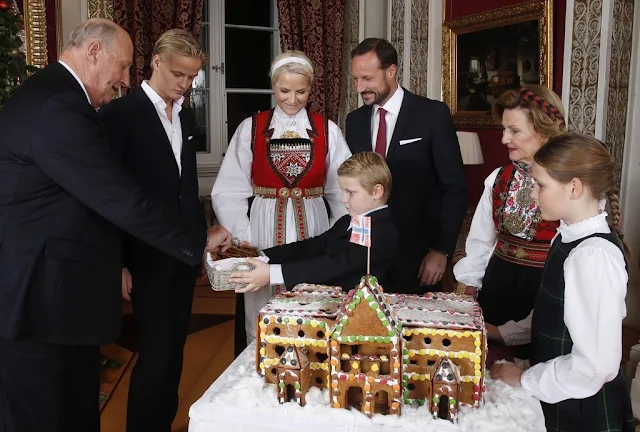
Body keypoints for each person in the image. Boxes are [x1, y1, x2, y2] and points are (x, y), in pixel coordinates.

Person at [0, 19, 230, 432]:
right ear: (92, 52)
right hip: (42, 297)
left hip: (61, 295)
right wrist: (195, 241)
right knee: (45, 413)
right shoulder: (61, 106)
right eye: (121, 66)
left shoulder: (58, 98)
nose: (125, 79)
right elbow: (117, 196)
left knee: (73, 406)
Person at [98, 29, 208, 432]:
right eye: (179, 74)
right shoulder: (119, 116)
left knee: (174, 354)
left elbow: (186, 187)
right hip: (141, 258)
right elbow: (108, 197)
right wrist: (118, 264)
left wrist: (199, 245)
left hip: (180, 257)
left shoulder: (186, 114)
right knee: (156, 356)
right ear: (156, 62)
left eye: (192, 77)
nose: (185, 84)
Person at [489, 133, 635, 432]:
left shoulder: (592, 256)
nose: (532, 195)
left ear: (575, 187)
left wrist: (524, 378)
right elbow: (552, 315)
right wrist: (502, 333)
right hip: (562, 397)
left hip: (582, 411)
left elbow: (596, 366)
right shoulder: (567, 237)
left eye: (541, 186)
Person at [211, 50, 351, 355]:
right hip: (264, 220)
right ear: (273, 87)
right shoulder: (252, 128)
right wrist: (244, 236)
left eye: (301, 91)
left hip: (312, 221)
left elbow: (342, 190)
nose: (292, 99)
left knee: (310, 291)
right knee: (261, 293)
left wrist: (338, 234)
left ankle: (308, 359)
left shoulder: (328, 130)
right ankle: (260, 362)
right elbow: (229, 189)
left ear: (311, 88)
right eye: (284, 91)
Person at [453, 85, 567, 362]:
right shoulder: (498, 178)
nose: (504, 139)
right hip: (498, 285)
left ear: (544, 130)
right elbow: (481, 241)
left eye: (514, 131)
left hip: (544, 291)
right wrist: (468, 295)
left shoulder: (570, 185)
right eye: (504, 129)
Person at [346, 38, 467, 294]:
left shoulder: (432, 115)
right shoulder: (354, 121)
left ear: (391, 71)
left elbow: (454, 188)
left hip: (418, 256)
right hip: (367, 255)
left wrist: (441, 250)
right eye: (355, 79)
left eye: (367, 78)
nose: (359, 87)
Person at [230, 152, 397, 292]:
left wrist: (273, 274)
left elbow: (336, 265)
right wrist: (261, 256)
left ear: (377, 191)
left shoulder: (383, 230)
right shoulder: (347, 221)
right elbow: (313, 246)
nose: (344, 199)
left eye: (351, 192)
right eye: (342, 191)